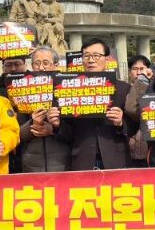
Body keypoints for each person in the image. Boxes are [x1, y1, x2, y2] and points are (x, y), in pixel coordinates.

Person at [53, 38, 135, 170]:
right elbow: (68, 133)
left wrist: (121, 123)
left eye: (96, 56)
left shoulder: (123, 88)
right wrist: (57, 125)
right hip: (82, 160)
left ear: (107, 59)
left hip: (116, 160)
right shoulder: (69, 89)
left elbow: (134, 127)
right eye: (86, 56)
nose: (91, 60)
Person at [16, 46, 70, 172]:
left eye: (46, 63)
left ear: (56, 65)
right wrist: (32, 124)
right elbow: (16, 133)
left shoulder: (67, 89)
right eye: (37, 63)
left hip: (62, 165)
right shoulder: (22, 91)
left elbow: (75, 133)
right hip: (31, 166)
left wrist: (55, 128)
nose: (41, 67)